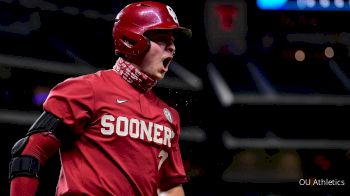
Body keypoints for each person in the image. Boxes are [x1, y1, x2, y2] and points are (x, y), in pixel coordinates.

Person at [9, 1, 192, 195]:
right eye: (162, 39)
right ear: (131, 40)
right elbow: (27, 153)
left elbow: (170, 186)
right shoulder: (86, 90)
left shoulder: (168, 116)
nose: (172, 48)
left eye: (173, 42)